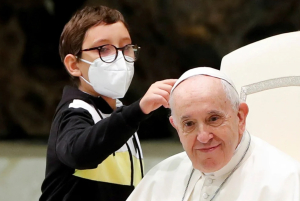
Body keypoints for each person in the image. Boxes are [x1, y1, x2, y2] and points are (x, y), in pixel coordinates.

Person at [39, 5, 176, 201]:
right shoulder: (74, 111)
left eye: (126, 47)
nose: (120, 57)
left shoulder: (120, 115)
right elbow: (79, 153)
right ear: (74, 65)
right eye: (103, 48)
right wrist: (138, 110)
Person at [126, 67, 300, 201]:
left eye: (214, 119)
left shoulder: (286, 181)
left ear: (240, 117)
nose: (203, 136)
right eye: (189, 124)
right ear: (176, 127)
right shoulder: (160, 177)